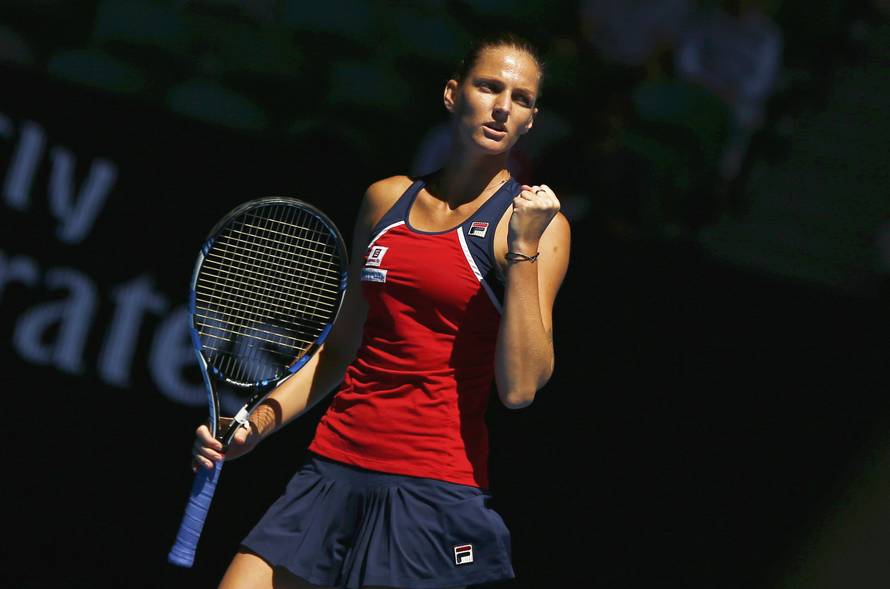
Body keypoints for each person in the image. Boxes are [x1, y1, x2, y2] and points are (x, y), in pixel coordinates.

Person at [191, 32, 571, 589]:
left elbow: (520, 388)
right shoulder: (383, 200)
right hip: (331, 466)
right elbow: (340, 348)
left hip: (430, 489)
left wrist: (523, 249)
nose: (502, 107)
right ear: (451, 93)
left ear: (530, 120)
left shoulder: (538, 227)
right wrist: (258, 424)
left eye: (521, 99)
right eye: (489, 87)